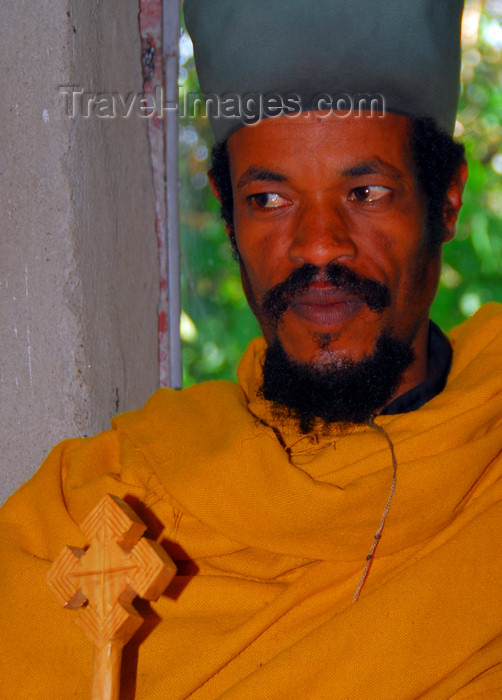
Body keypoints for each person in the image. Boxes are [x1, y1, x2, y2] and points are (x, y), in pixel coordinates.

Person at [1, 1, 502, 698]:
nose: (319, 243)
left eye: (365, 191)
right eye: (269, 199)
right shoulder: (111, 507)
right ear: (227, 212)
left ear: (446, 202)